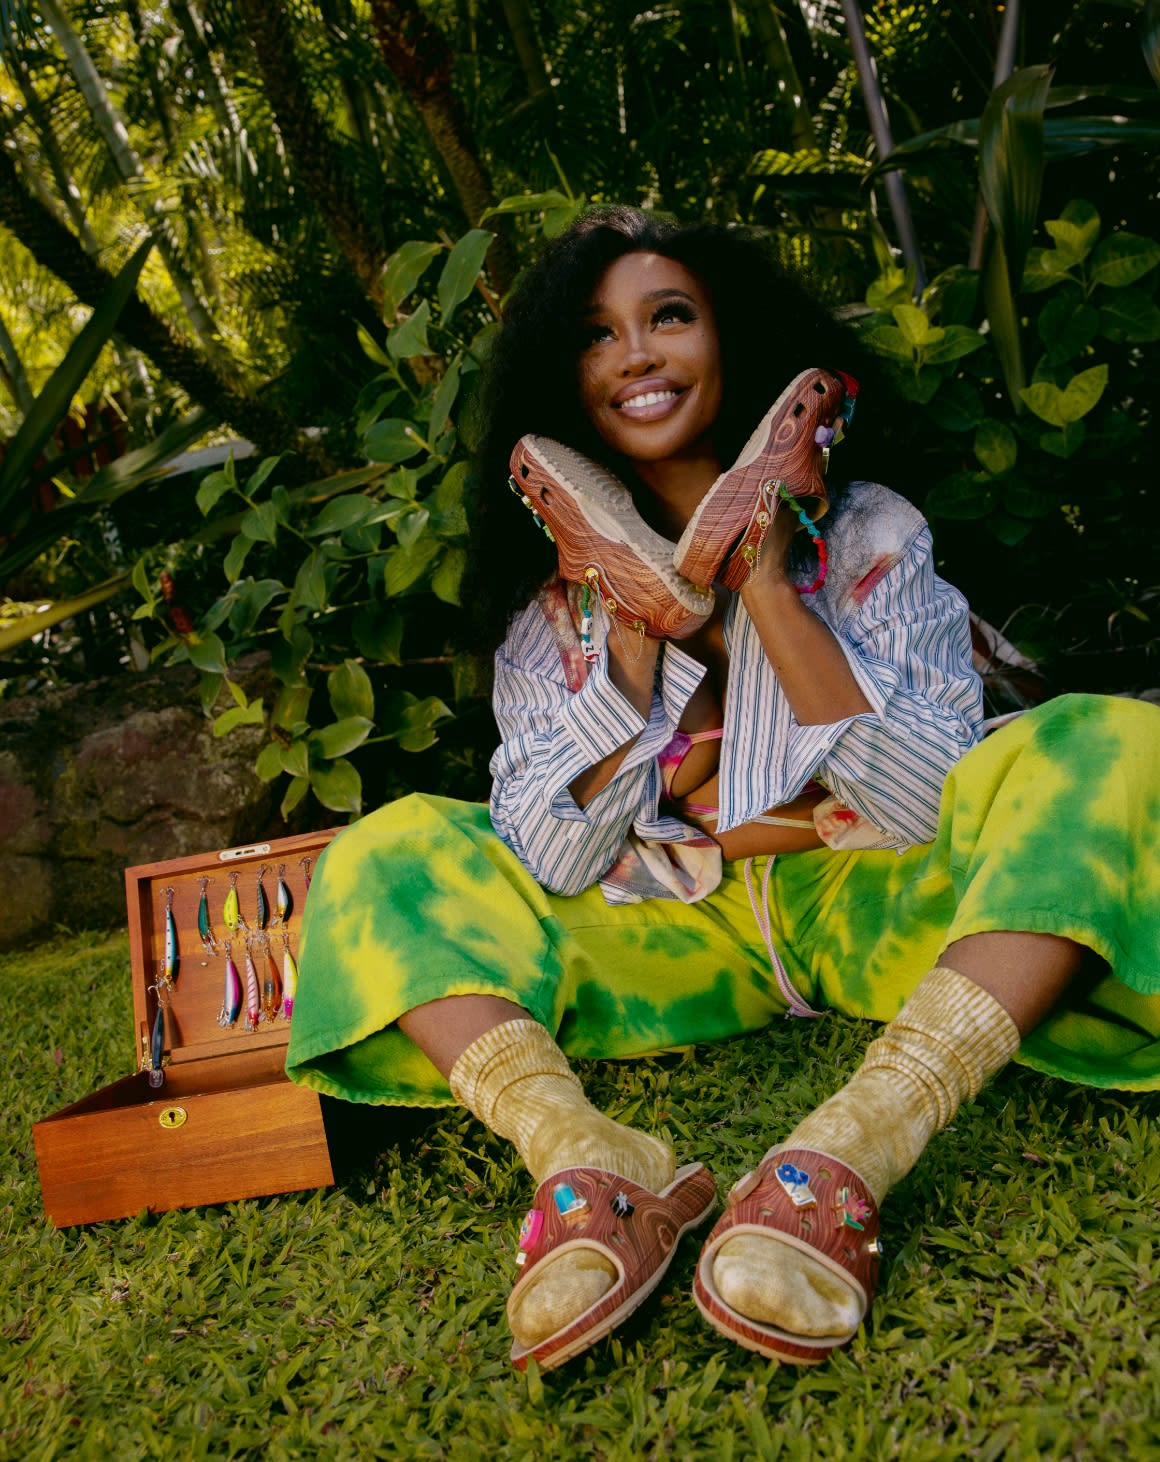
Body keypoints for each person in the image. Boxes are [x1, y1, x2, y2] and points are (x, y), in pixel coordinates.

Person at [286, 207, 1160, 1372]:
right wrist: (638, 633)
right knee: (387, 849)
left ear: (730, 336)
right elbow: (551, 856)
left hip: (873, 905)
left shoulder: (869, 535)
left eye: (668, 317)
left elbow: (916, 804)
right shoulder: (552, 617)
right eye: (598, 336)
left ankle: (852, 1144)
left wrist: (761, 582)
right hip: (672, 937)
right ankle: (586, 1159)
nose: (636, 353)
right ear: (568, 377)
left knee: (1107, 742)